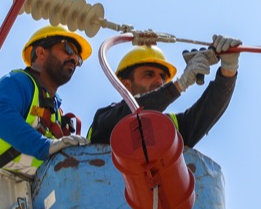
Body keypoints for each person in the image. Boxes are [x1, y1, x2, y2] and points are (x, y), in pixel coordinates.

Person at [0, 24, 91, 177]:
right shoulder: (18, 82)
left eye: (78, 59)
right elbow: (1, 117)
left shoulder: (55, 112)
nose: (74, 58)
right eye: (68, 49)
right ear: (41, 53)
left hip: (31, 190)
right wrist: (44, 146)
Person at [87, 35, 241, 148]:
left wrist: (228, 70)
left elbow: (207, 111)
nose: (159, 81)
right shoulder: (106, 118)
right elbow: (134, 113)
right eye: (149, 74)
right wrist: (178, 85)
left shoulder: (171, 127)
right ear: (126, 85)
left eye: (163, 77)